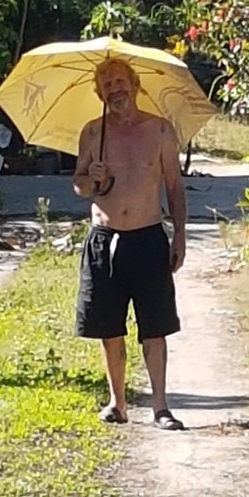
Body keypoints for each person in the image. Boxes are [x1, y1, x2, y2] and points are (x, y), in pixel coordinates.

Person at [72, 56, 187, 430]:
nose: (115, 90)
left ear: (135, 85)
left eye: (120, 83)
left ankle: (160, 407)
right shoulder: (93, 133)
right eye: (107, 86)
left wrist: (180, 234)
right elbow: (79, 187)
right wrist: (91, 176)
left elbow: (173, 185)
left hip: (147, 236)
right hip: (104, 239)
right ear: (99, 93)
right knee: (109, 327)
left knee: (154, 326)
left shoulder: (159, 131)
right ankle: (117, 403)